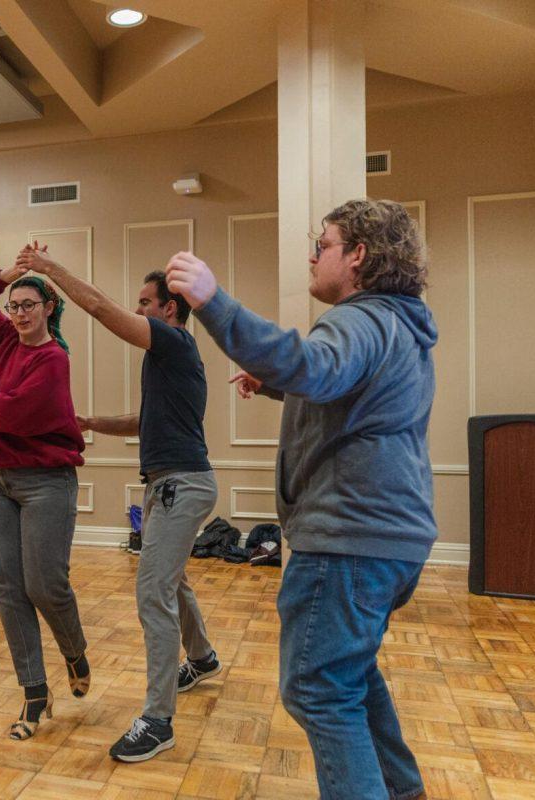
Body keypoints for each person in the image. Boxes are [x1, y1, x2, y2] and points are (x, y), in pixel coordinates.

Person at [165, 198, 436, 800]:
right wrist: (280, 386)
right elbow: (348, 396)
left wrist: (214, 301)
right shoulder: (400, 323)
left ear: (359, 255)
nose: (313, 255)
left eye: (325, 243)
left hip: (348, 537)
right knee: (350, 674)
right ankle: (403, 790)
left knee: (318, 689)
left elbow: (315, 366)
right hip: (392, 538)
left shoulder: (358, 320)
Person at [15, 244, 222, 762]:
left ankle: (158, 719)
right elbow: (144, 422)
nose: (139, 311)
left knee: (152, 591)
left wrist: (49, 269)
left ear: (170, 308)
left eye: (146, 302)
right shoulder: (166, 362)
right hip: (170, 482)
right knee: (172, 581)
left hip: (182, 484)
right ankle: (201, 656)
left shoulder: (172, 342)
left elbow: (103, 312)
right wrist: (92, 424)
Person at [0, 264, 89, 740]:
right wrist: (8, 274)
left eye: (28, 305)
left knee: (45, 585)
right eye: (13, 306)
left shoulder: (54, 358)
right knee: (10, 591)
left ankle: (74, 650)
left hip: (45, 481)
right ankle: (35, 693)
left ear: (49, 309)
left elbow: (17, 414)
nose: (18, 314)